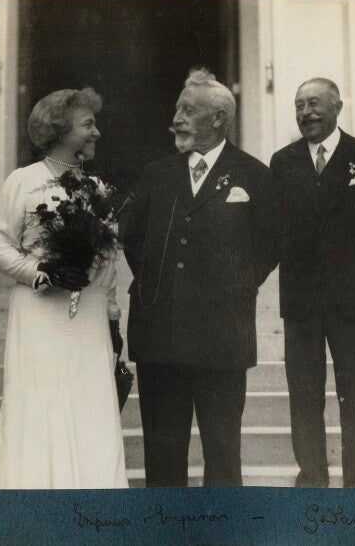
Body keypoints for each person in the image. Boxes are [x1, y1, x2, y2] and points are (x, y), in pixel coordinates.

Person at [120, 68, 278, 487]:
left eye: (188, 110)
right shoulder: (156, 174)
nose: (176, 119)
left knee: (223, 460)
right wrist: (158, 287)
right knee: (162, 462)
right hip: (160, 337)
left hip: (222, 338)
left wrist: (234, 285)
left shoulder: (255, 176)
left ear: (218, 118)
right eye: (176, 109)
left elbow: (269, 244)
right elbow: (131, 238)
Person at [0, 88, 128, 489]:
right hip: (39, 313)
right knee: (39, 406)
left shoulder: (98, 190)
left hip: (90, 318)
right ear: (61, 130)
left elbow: (107, 266)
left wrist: (113, 322)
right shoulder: (23, 181)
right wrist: (42, 271)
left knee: (91, 409)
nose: (97, 132)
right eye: (88, 125)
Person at [270, 78, 355, 488]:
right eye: (298, 105)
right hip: (302, 302)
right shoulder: (282, 161)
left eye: (313, 103)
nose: (305, 112)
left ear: (337, 106)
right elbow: (276, 229)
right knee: (305, 396)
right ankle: (312, 478)